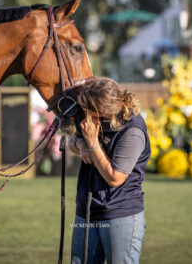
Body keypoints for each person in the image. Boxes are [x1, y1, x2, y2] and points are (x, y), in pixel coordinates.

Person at [67, 77, 151, 264]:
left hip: (120, 214)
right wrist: (81, 144)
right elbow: (68, 141)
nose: (84, 115)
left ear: (101, 111)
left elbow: (115, 178)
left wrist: (93, 143)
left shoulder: (132, 131)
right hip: (86, 210)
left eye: (87, 111)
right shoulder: (96, 120)